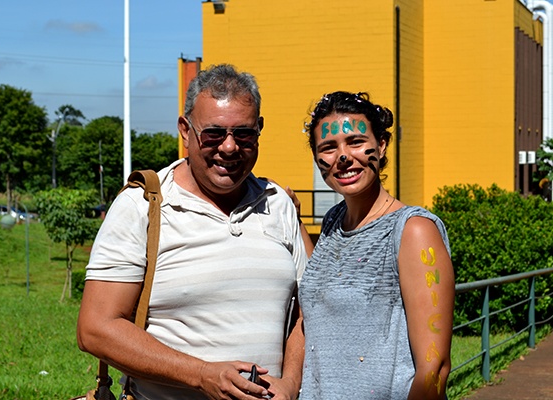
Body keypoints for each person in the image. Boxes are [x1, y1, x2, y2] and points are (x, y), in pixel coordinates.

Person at [76, 64, 307, 400]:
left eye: (243, 134)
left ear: (259, 130)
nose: (229, 148)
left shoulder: (278, 204)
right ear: (185, 131)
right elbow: (95, 329)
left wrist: (290, 384)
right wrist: (201, 375)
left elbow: (310, 310)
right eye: (213, 134)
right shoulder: (142, 206)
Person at [298, 91, 455, 399]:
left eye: (355, 142)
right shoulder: (333, 221)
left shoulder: (413, 231)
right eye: (329, 147)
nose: (343, 156)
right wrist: (294, 221)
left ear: (381, 146)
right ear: (318, 158)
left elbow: (434, 369)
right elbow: (329, 288)